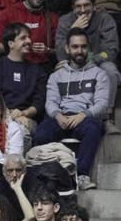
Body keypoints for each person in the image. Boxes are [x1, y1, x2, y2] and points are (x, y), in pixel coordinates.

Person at [31, 29, 111, 190]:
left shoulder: (99, 74)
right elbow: (51, 102)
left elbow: (102, 104)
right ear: (67, 49)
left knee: (93, 129)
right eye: (75, 47)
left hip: (85, 118)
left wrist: (84, 114)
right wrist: (57, 115)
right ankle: (43, 177)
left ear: (88, 48)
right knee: (40, 134)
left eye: (83, 47)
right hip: (60, 117)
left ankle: (82, 175)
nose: (79, 51)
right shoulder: (56, 76)